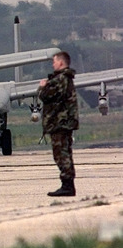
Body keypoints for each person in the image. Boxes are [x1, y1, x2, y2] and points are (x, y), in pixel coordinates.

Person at [38, 51, 79, 197]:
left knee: (60, 154)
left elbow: (45, 96)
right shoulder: (66, 79)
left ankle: (67, 185)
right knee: (65, 153)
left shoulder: (60, 79)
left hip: (60, 122)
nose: (53, 64)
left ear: (61, 63)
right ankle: (68, 184)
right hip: (63, 122)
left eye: (54, 61)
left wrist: (43, 87)